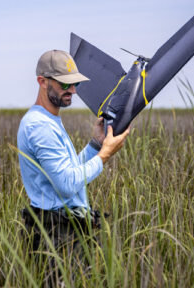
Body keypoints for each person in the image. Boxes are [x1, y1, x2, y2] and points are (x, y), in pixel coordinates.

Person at [17, 49, 130, 284]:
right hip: (55, 236)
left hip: (67, 231)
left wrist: (96, 145)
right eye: (65, 85)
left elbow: (67, 171)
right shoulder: (39, 127)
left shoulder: (49, 121)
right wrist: (105, 156)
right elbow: (67, 184)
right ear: (42, 82)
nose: (73, 91)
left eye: (75, 83)